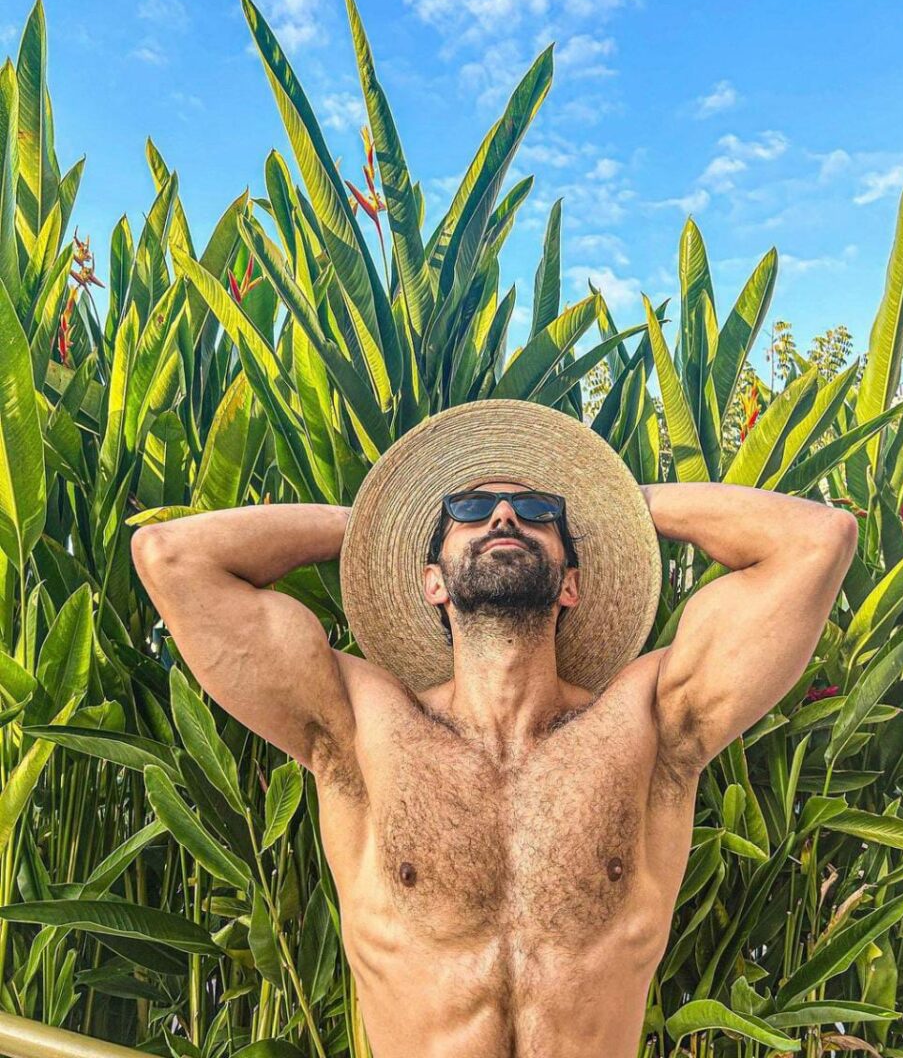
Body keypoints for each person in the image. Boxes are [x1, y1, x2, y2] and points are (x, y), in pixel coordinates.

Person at [132, 401, 857, 1058]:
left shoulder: (649, 726)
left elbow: (817, 540)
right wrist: (376, 524)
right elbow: (174, 558)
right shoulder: (364, 727)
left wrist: (611, 508)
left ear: (570, 583)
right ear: (433, 582)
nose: (504, 518)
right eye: (470, 510)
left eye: (537, 512)